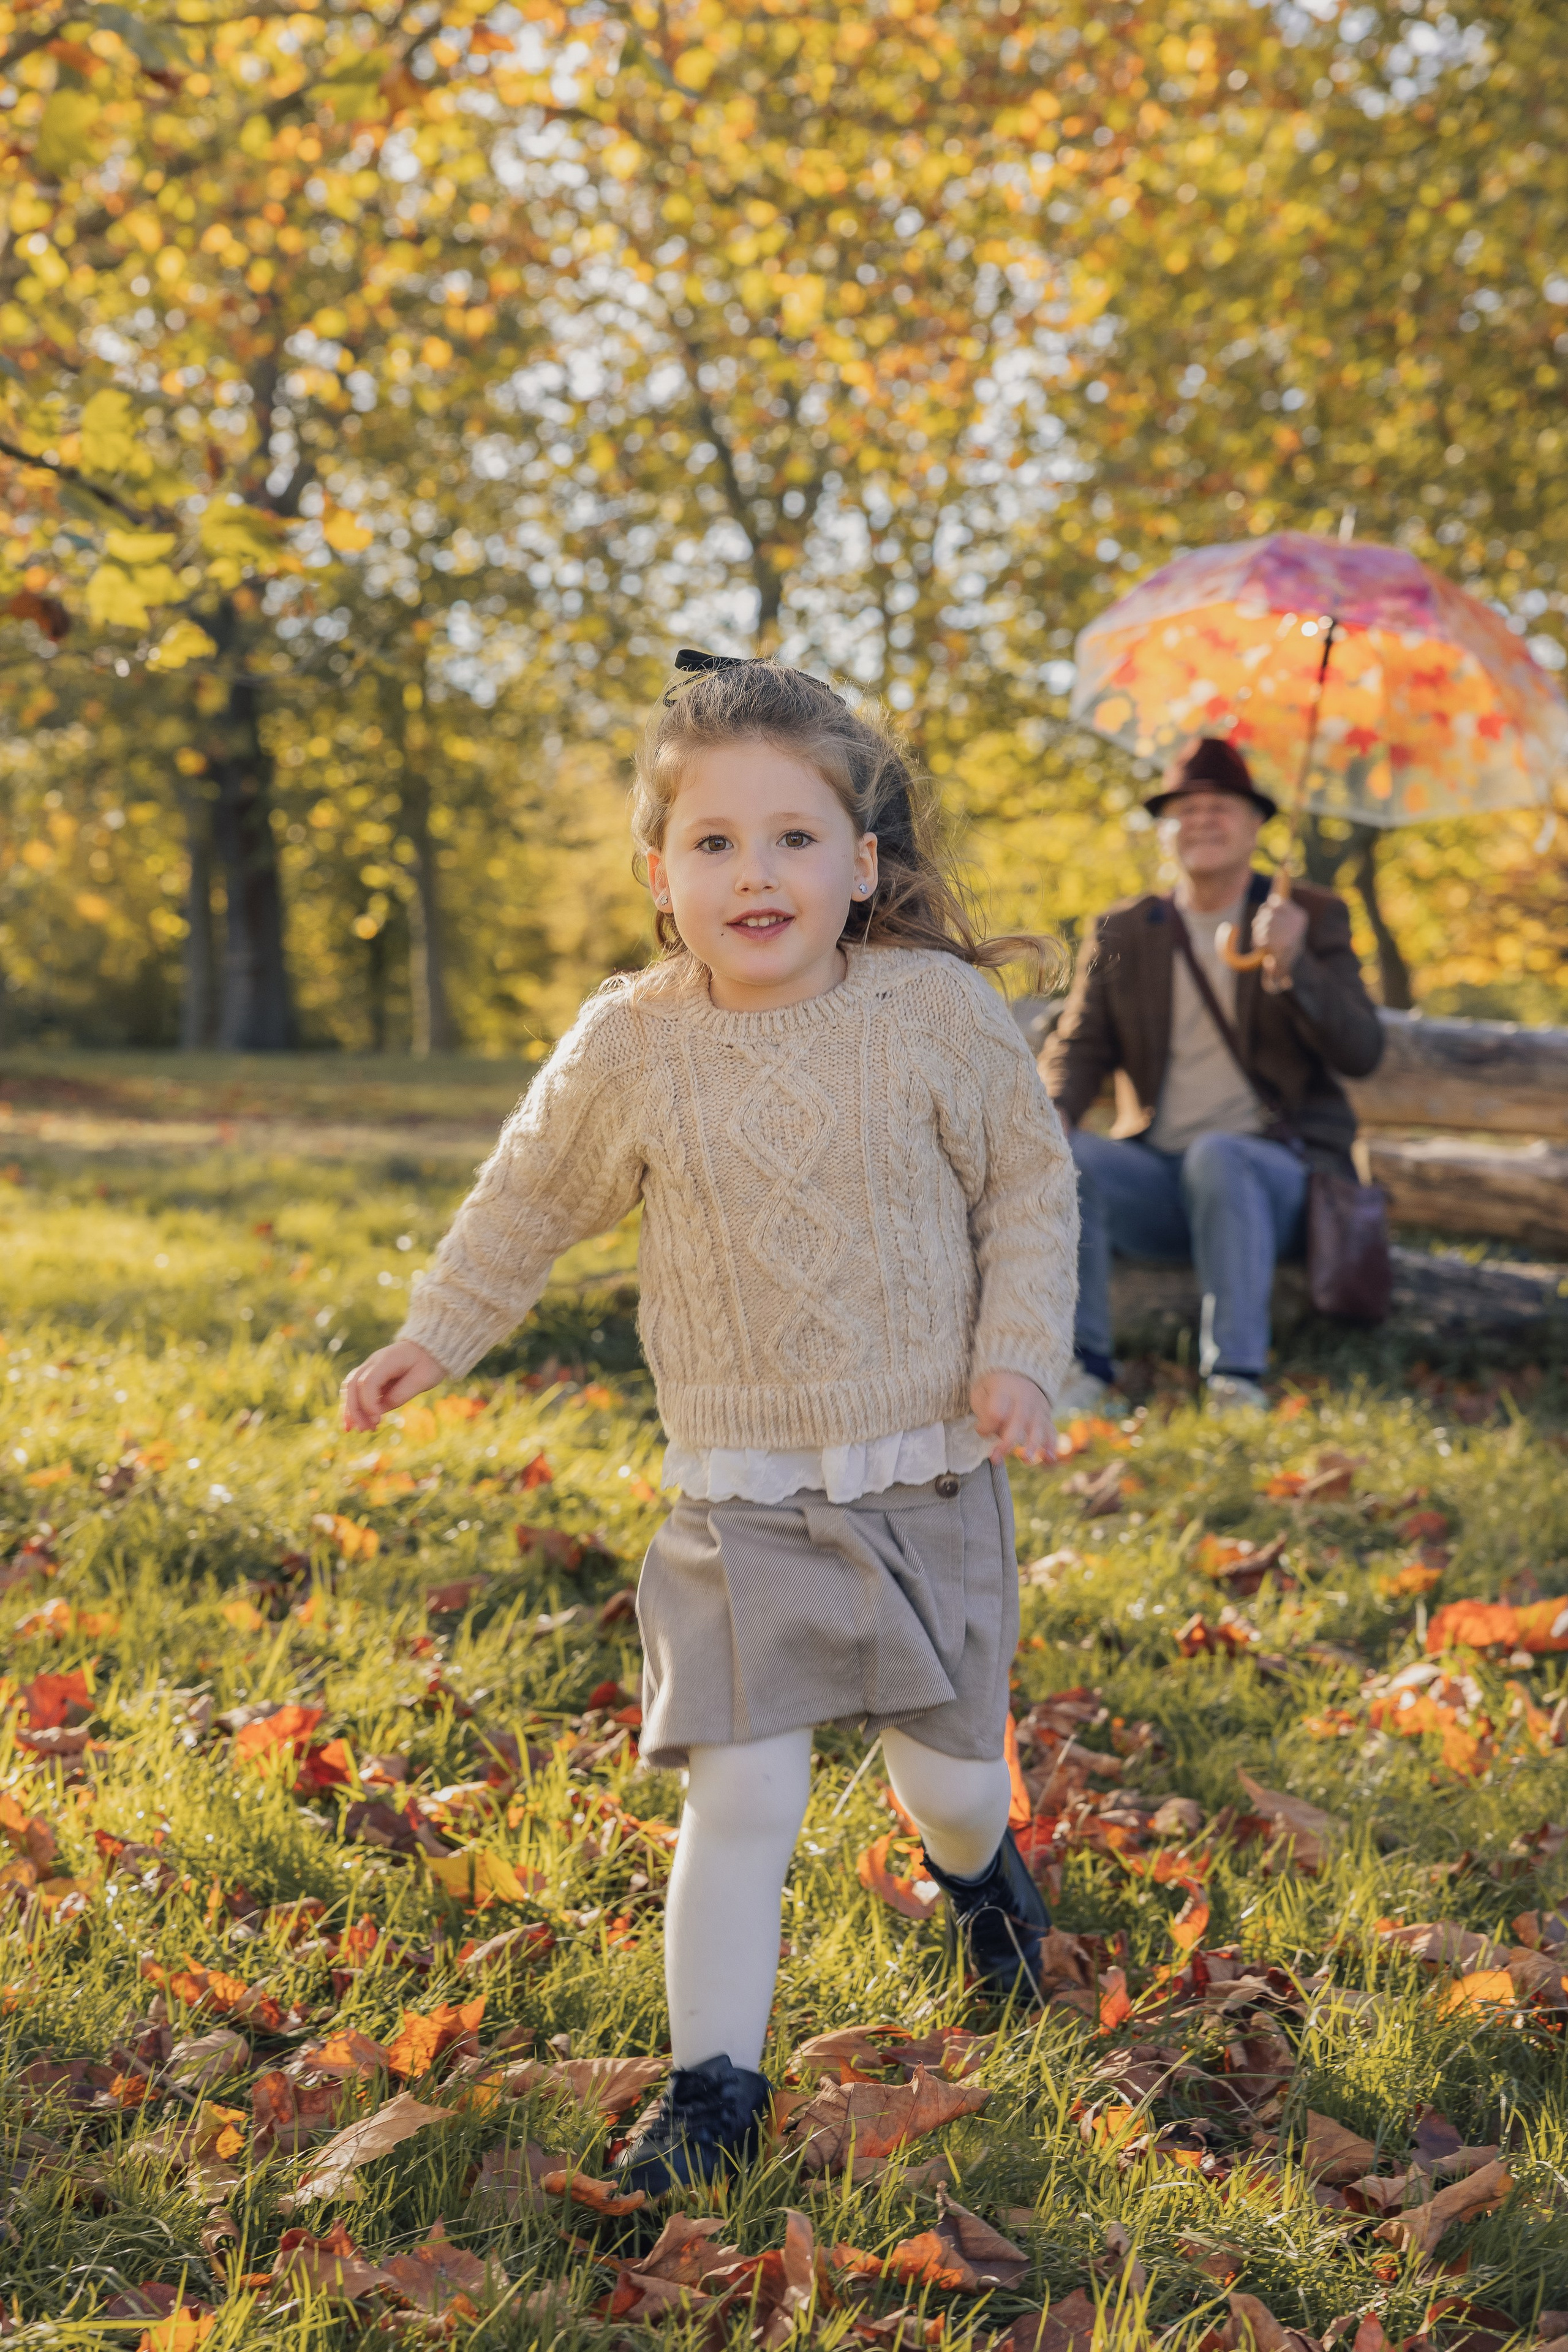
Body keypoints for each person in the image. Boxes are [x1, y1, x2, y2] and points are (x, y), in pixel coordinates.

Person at [340, 654, 1079, 2193]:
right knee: (740, 1793)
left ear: (863, 863)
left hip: (923, 1474)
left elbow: (1027, 1182)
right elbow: (527, 1202)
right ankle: (710, 2090)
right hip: (739, 1496)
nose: (757, 872)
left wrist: (1016, 1352)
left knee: (944, 1775)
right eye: (715, 842)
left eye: (795, 837)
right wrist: (434, 1332)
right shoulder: (633, 1041)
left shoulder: (935, 1013)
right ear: (661, 874)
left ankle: (982, 1876)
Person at [1042, 736, 1384, 1415]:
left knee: (1219, 1156)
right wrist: (1052, 1112)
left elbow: (1361, 1051)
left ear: (1256, 825)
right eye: (1184, 809)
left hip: (1279, 1178)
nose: (1201, 820)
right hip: (1162, 1179)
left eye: (1220, 807)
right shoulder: (1123, 929)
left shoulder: (1308, 916)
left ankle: (1234, 1378)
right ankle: (1085, 1371)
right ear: (1166, 829)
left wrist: (1293, 967)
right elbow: (1080, 1044)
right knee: (1070, 1154)